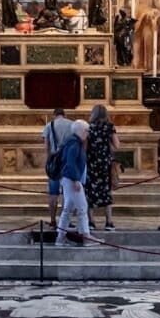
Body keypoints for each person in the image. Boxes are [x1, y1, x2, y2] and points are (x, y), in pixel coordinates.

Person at [44, 106, 90, 245]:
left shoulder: (50, 126)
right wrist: (76, 179)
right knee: (82, 208)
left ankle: (60, 237)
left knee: (67, 207)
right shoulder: (74, 143)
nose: (88, 133)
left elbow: (46, 145)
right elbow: (70, 162)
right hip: (71, 178)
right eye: (87, 131)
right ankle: (86, 237)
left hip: (62, 174)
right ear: (81, 131)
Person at [84, 102, 118, 233]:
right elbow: (117, 145)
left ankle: (91, 222)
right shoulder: (110, 127)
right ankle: (109, 222)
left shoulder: (89, 128)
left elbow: (85, 148)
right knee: (106, 191)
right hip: (105, 163)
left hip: (91, 163)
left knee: (90, 192)